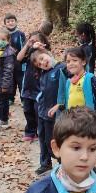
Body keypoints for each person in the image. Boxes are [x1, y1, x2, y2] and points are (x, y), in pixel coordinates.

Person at [30, 47, 67, 175]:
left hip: (55, 114)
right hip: (42, 112)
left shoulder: (61, 68)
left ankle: (63, 164)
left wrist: (60, 105)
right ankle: (45, 164)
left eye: (42, 58)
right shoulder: (43, 73)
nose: (42, 63)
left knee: (53, 140)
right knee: (43, 139)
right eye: (39, 64)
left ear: (47, 54)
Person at [49, 47, 96, 120]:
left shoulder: (89, 78)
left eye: (75, 60)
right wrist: (59, 106)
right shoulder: (69, 82)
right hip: (73, 121)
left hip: (87, 121)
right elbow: (68, 103)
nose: (71, 64)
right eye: (68, 62)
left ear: (83, 62)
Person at [17, 31, 50, 141]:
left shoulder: (45, 54)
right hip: (27, 88)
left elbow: (51, 61)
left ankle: (40, 132)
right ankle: (30, 132)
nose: (34, 43)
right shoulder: (29, 54)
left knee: (37, 112)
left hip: (39, 89)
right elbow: (18, 58)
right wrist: (27, 46)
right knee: (28, 110)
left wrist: (42, 49)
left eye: (37, 41)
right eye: (32, 40)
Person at [4, 13, 26, 101]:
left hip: (19, 61)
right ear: (5, 24)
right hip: (8, 62)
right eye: (8, 21)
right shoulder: (4, 34)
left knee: (21, 81)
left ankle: (23, 99)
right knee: (10, 81)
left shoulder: (20, 34)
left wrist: (24, 58)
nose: (10, 23)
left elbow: (25, 46)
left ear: (16, 22)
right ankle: (10, 98)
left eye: (12, 21)